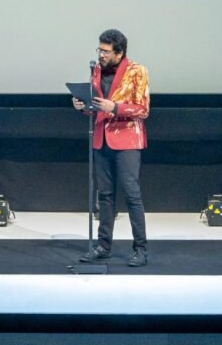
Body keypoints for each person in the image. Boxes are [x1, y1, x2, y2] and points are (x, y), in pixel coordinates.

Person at [73, 28, 149, 266]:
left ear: (119, 52)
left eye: (106, 51)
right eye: (100, 50)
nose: (101, 55)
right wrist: (83, 105)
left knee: (131, 193)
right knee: (104, 195)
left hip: (127, 139)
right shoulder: (96, 70)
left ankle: (140, 249)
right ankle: (103, 246)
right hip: (101, 138)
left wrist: (114, 107)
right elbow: (95, 106)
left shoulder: (137, 70)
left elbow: (143, 109)